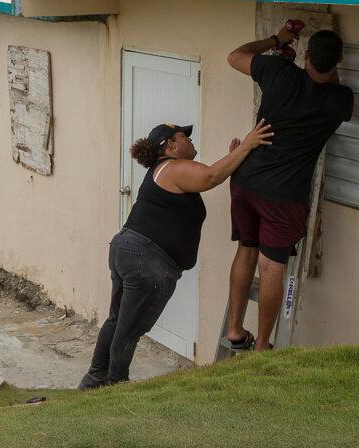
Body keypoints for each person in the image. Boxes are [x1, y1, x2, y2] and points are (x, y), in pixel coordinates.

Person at [78, 118, 274, 389]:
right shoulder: (172, 167)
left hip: (130, 250)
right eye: (184, 136)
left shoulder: (165, 170)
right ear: (170, 145)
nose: (190, 140)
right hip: (146, 259)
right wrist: (248, 145)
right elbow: (210, 177)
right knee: (130, 328)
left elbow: (210, 174)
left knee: (118, 319)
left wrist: (233, 157)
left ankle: (94, 380)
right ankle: (115, 384)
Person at [223, 23, 354, 352]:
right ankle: (262, 346)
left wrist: (277, 39)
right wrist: (329, 65)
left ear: (306, 55)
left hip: (246, 180)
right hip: (284, 198)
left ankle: (236, 329)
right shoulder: (339, 102)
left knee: (246, 250)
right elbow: (331, 86)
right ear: (338, 60)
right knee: (271, 268)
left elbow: (235, 56)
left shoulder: (278, 71)